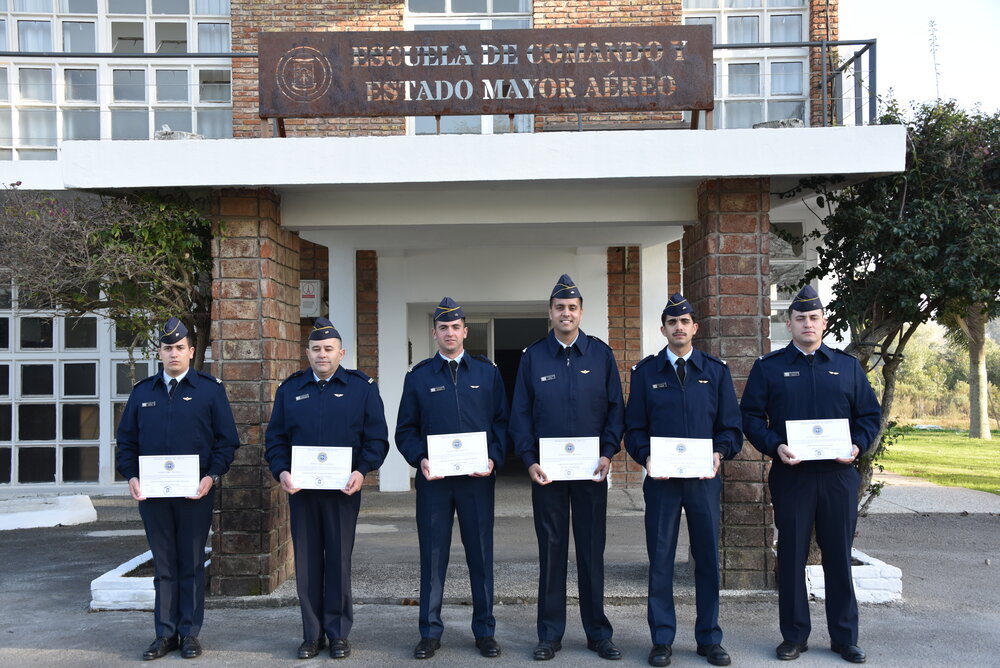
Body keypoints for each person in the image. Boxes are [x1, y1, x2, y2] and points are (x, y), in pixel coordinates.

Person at [740, 286, 880, 664]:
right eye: (800, 318)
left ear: (824, 323)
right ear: (789, 324)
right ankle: (794, 636)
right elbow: (750, 417)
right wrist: (774, 446)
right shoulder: (768, 368)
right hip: (793, 476)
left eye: (813, 317)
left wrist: (857, 446)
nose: (807, 323)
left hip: (838, 476)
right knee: (792, 556)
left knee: (837, 555)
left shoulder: (847, 367)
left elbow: (869, 416)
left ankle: (844, 637)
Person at [509, 274, 625, 662]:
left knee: (592, 552)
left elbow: (615, 410)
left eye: (572, 307)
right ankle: (550, 634)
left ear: (580, 312)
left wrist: (608, 453)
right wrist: (528, 460)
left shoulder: (600, 354)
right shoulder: (533, 357)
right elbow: (520, 415)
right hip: (549, 474)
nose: (566, 313)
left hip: (592, 472)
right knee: (552, 553)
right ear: (550, 313)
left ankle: (598, 633)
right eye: (559, 308)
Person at [624, 294, 742, 668]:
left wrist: (719, 452)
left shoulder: (716, 371)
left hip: (703, 481)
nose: (679, 327)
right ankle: (661, 639)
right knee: (660, 560)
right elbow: (633, 429)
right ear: (663, 329)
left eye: (685, 321)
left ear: (695, 327)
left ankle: (708, 638)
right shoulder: (645, 373)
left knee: (707, 558)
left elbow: (731, 428)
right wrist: (646, 456)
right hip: (661, 482)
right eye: (671, 322)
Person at [264, 317, 389, 660]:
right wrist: (281, 471)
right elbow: (275, 439)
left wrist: (363, 471)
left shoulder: (362, 388)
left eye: (328, 349)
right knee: (306, 563)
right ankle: (311, 634)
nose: (322, 355)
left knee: (337, 560)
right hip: (302, 492)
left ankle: (337, 633)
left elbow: (376, 439)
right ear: (307, 353)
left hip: (343, 492)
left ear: (341, 352)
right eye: (316, 349)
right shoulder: (291, 389)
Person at [116, 317, 240, 661]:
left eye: (180, 348)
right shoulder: (143, 393)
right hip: (153, 496)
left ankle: (189, 633)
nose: (174, 354)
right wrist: (131, 476)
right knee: (164, 565)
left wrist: (211, 476)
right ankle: (164, 633)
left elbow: (227, 441)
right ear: (160, 351)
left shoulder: (209, 391)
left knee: (190, 564)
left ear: (191, 350)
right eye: (168, 348)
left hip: (194, 494)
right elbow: (126, 442)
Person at [395, 297, 510, 660]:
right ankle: (429, 631)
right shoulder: (418, 377)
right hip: (435, 482)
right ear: (434, 333)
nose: (449, 333)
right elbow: (405, 430)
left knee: (481, 555)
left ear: (465, 331)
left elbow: (503, 424)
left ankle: (485, 631)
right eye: (442, 327)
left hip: (477, 480)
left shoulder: (487, 374)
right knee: (432, 556)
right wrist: (420, 458)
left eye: (455, 327)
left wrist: (493, 457)